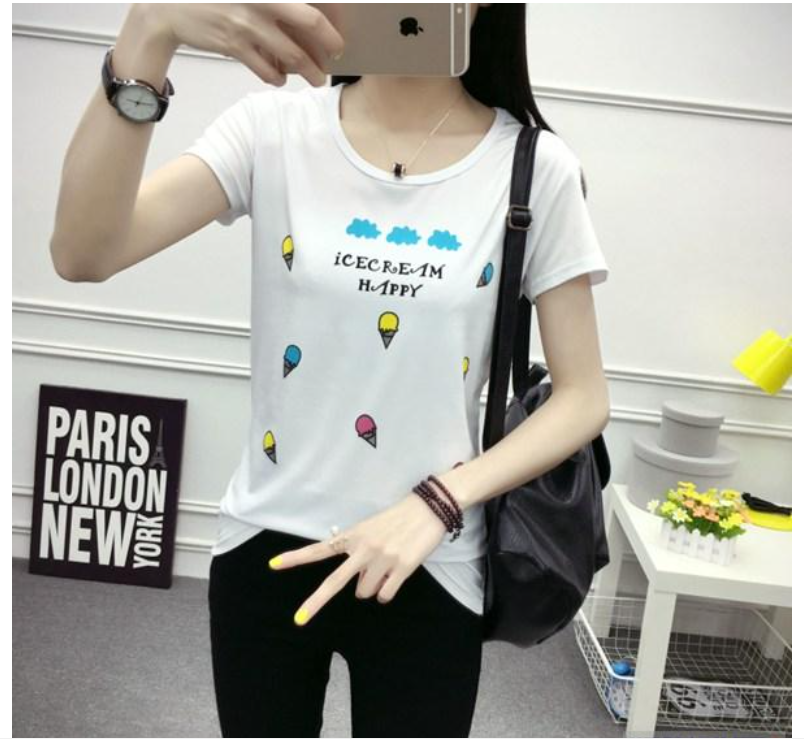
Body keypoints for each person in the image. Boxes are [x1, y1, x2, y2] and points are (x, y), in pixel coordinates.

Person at [49, 4, 611, 737]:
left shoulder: (534, 167)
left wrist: (438, 502)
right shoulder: (271, 131)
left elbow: (582, 397)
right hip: (266, 545)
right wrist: (149, 30)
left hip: (431, 555)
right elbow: (83, 252)